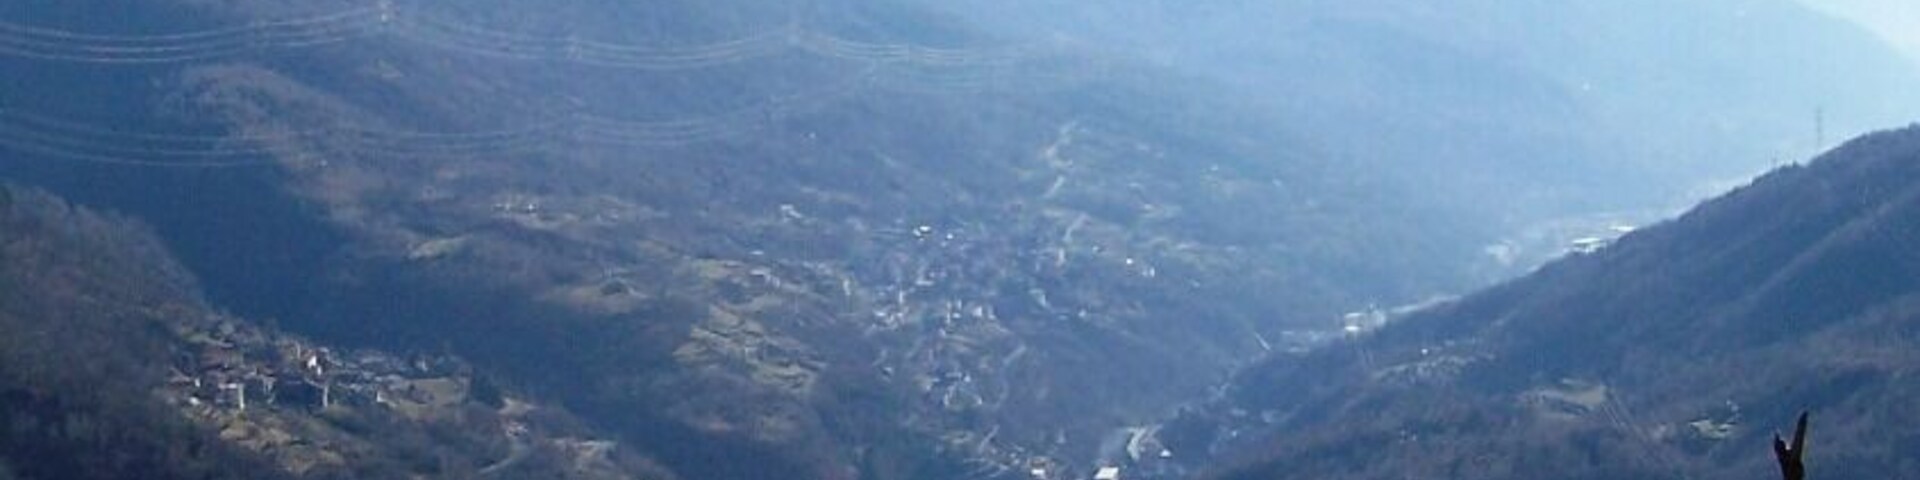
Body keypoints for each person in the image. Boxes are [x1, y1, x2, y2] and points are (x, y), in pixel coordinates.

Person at [1773, 411, 1809, 480]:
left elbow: (1799, 439)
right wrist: (1802, 423)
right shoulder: (1790, 460)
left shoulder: (1785, 461)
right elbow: (1799, 439)